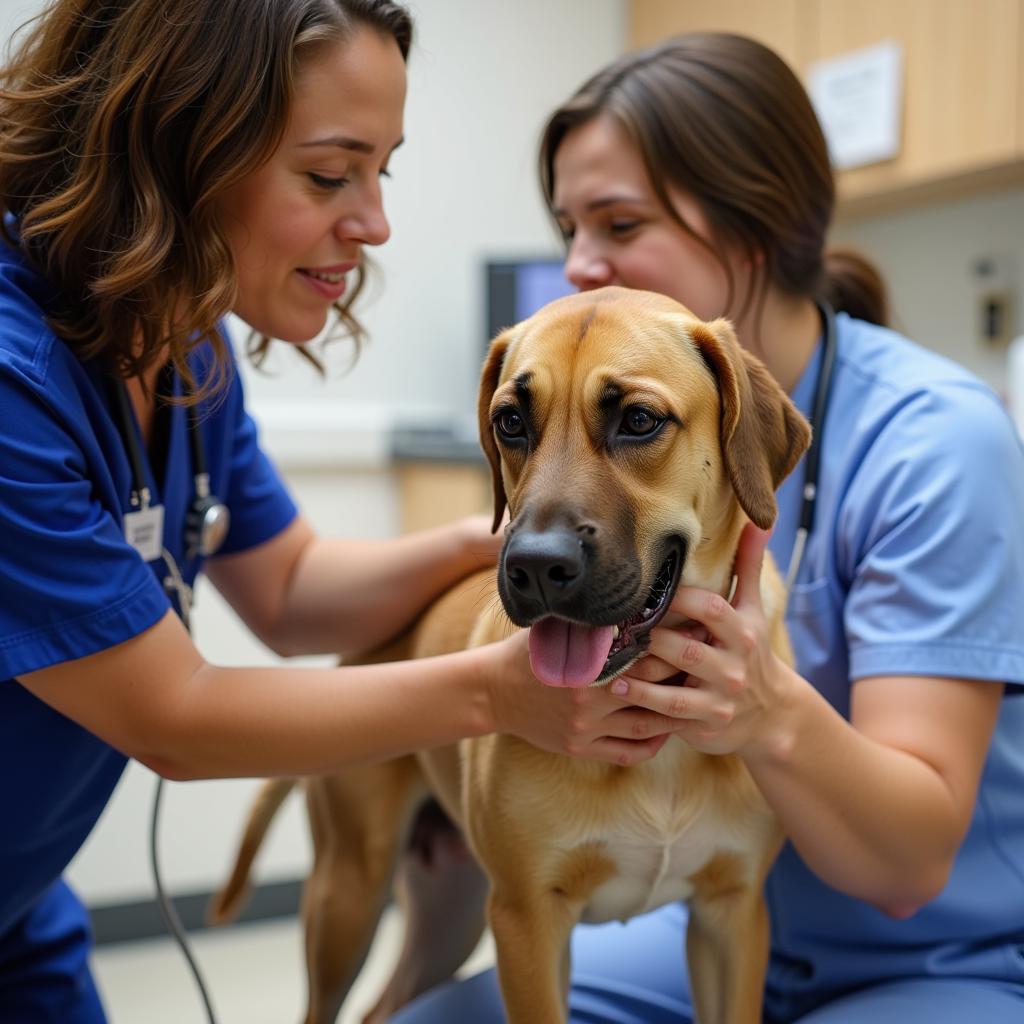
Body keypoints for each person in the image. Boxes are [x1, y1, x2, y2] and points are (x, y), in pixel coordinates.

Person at [0, 3, 683, 1020]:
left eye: (382, 172)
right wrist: (502, 692)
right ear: (177, 147)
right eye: (329, 174)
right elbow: (174, 718)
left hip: (21, 904)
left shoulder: (186, 351)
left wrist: (491, 544)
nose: (372, 221)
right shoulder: (15, 383)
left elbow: (287, 589)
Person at [390, 31, 1024, 1024]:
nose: (577, 264)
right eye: (567, 225)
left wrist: (765, 708)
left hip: (931, 952)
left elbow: (906, 867)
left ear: (753, 226)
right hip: (700, 920)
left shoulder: (936, 441)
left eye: (619, 221)